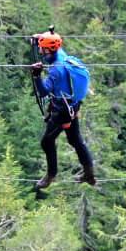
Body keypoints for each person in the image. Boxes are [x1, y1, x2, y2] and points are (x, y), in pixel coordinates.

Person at [29, 29, 96, 190]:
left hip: (62, 111)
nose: (40, 52)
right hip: (73, 106)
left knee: (47, 142)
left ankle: (51, 175)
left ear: (48, 50)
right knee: (75, 140)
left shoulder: (56, 70)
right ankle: (89, 174)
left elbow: (44, 91)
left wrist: (37, 76)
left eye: (42, 49)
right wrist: (41, 38)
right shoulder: (60, 54)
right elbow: (52, 42)